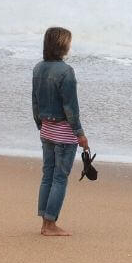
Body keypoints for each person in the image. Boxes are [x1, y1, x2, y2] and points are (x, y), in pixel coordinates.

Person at [32, 26, 89, 236]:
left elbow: (35, 103)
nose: (69, 46)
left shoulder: (38, 68)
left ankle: (44, 222)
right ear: (62, 45)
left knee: (47, 175)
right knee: (59, 178)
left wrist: (41, 125)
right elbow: (71, 108)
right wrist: (80, 134)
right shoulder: (66, 72)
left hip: (46, 130)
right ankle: (50, 224)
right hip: (64, 133)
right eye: (68, 42)